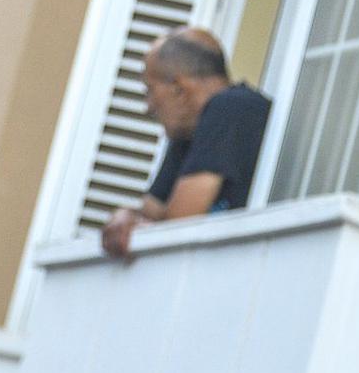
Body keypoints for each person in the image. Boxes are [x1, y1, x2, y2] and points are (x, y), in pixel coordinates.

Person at [101, 29, 271, 260]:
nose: (148, 107)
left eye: (149, 90)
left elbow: (177, 229)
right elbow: (151, 213)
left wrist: (140, 224)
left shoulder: (231, 107)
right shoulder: (188, 130)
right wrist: (125, 216)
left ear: (179, 89)